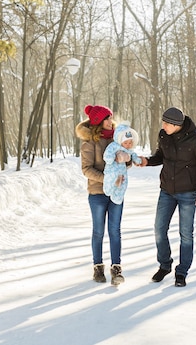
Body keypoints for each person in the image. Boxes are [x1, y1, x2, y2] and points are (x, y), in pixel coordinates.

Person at [141, 107, 196, 287]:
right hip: (166, 190)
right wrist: (147, 161)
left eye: (166, 123)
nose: (163, 126)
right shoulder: (164, 135)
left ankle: (181, 272)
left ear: (176, 124)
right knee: (159, 229)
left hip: (188, 192)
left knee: (186, 234)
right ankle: (165, 265)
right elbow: (160, 156)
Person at [75, 104, 127, 285]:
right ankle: (98, 267)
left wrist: (126, 160)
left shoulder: (118, 140)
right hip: (97, 193)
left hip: (116, 193)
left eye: (110, 117)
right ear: (97, 122)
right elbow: (86, 169)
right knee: (98, 231)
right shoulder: (89, 143)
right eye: (106, 118)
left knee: (115, 230)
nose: (110, 121)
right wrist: (107, 178)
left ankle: (116, 268)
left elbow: (124, 164)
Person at [103, 124, 142, 205]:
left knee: (123, 183)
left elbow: (133, 154)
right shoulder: (114, 146)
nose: (128, 145)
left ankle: (117, 198)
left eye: (130, 143)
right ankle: (108, 190)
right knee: (110, 179)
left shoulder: (129, 150)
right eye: (126, 142)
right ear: (120, 140)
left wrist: (136, 159)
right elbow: (108, 153)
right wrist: (111, 158)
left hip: (122, 171)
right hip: (112, 169)